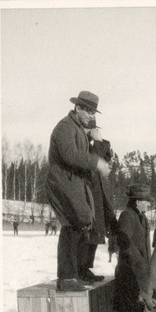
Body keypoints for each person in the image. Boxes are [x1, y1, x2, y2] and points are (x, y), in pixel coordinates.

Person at [46, 91, 110, 291]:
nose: (92, 116)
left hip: (73, 183)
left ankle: (76, 273)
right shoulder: (66, 127)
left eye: (94, 112)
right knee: (73, 224)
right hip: (63, 183)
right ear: (79, 108)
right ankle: (67, 278)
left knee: (83, 223)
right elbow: (69, 155)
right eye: (89, 111)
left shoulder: (79, 129)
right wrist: (96, 161)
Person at [114, 184, 152, 312]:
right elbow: (124, 240)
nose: (148, 204)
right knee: (129, 311)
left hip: (141, 271)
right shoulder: (128, 216)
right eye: (146, 201)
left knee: (138, 310)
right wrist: (137, 259)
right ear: (137, 202)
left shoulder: (141, 217)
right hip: (129, 271)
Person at [77, 118, 118, 283]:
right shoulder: (82, 145)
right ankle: (80, 270)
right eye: (91, 129)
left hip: (98, 198)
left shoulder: (93, 145)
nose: (93, 133)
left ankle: (85, 269)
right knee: (86, 237)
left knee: (95, 235)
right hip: (87, 198)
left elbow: (106, 156)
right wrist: (98, 142)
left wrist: (100, 141)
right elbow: (92, 159)